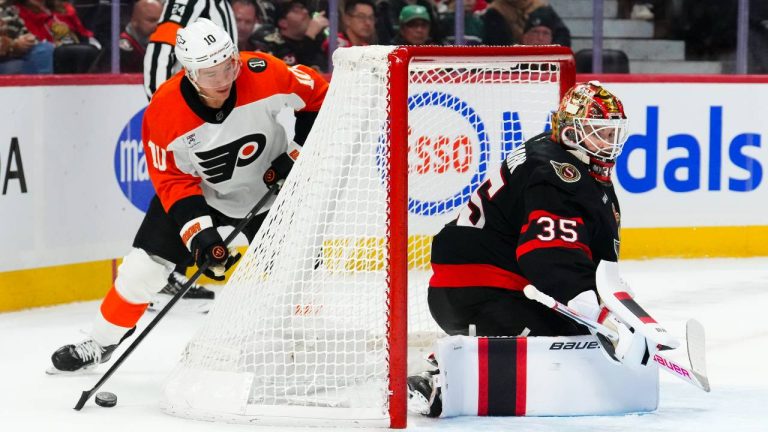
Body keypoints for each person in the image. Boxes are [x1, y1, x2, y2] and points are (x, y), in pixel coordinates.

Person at [48, 18, 328, 373]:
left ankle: (295, 343)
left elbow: (319, 97)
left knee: (300, 267)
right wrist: (202, 238)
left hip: (270, 191)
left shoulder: (264, 70)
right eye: (211, 74)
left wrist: (295, 155)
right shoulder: (165, 111)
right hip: (202, 194)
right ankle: (101, 341)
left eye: (229, 66)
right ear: (190, 73)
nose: (225, 79)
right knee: (140, 271)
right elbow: (174, 183)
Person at [407, 82, 643, 415]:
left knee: (584, 339)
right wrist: (585, 298)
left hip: (479, 288)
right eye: (598, 133)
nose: (608, 143)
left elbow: (579, 244)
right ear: (572, 132)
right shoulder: (559, 173)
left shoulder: (558, 157)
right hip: (481, 292)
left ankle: (460, 357)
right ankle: (437, 375)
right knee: (571, 349)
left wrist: (606, 294)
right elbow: (547, 254)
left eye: (611, 133)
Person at [143, 0, 235, 97]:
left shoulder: (220, 3)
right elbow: (160, 53)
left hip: (217, 102)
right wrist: (163, 103)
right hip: (192, 102)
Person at [15, 0, 101, 73]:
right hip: (45, 51)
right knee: (85, 52)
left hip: (71, 45)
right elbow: (27, 38)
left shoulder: (63, 7)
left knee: (95, 50)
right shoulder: (18, 11)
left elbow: (81, 32)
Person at [249, 0, 328, 71]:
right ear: (283, 23)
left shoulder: (318, 40)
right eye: (296, 11)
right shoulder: (275, 45)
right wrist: (310, 36)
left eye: (304, 8)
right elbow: (298, 72)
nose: (305, 12)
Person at [0, 0, 54, 74]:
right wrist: (14, 45)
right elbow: (12, 45)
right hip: (5, 57)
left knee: (45, 48)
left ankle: (43, 83)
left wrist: (28, 40)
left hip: (12, 55)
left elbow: (23, 32)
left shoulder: (6, 10)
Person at [118, 0, 162, 73]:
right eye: (151, 20)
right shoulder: (121, 50)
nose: (158, 26)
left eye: (161, 21)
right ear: (134, 21)